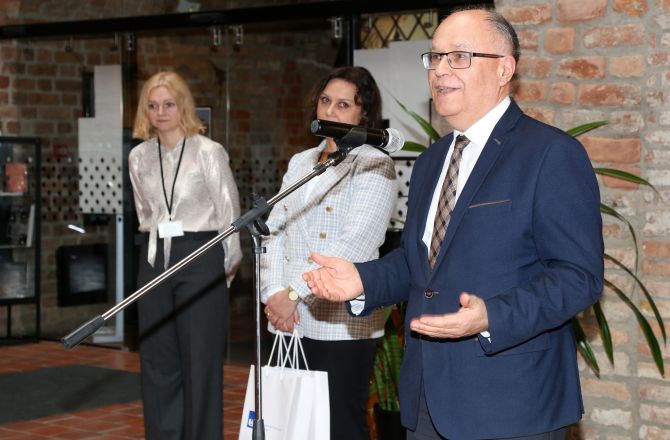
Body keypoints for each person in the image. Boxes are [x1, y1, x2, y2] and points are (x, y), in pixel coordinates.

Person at [303, 8, 604, 440]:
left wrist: (491, 316)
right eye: (435, 57)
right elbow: (420, 262)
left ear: (504, 69)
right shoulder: (432, 161)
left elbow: (578, 277)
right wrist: (362, 281)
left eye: (459, 57)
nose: (440, 70)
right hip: (427, 399)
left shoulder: (549, 154)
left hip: (511, 402)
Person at [260, 66, 397, 440]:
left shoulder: (374, 163)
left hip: (340, 323)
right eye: (325, 101)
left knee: (337, 425)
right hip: (287, 320)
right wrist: (273, 292)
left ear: (363, 114)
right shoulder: (301, 162)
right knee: (289, 426)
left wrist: (293, 294)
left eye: (343, 104)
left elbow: (356, 243)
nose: (330, 111)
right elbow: (274, 230)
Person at [129, 70, 242, 440]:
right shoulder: (138, 156)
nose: (161, 112)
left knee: (200, 363)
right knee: (157, 360)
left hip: (200, 256)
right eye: (153, 105)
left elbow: (230, 216)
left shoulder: (208, 152)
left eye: (169, 104)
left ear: (183, 107)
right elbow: (145, 213)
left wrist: (224, 271)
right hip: (154, 256)